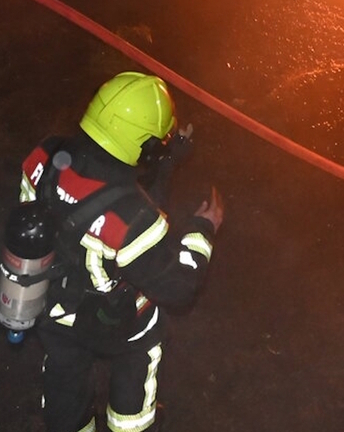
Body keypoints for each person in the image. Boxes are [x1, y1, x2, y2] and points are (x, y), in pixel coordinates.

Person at [18, 72, 224, 432]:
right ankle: (131, 424)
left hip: (50, 308)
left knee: (64, 388)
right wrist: (202, 230)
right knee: (144, 341)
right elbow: (179, 287)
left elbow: (104, 188)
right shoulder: (134, 218)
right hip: (115, 323)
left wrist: (165, 164)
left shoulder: (44, 157)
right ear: (145, 144)